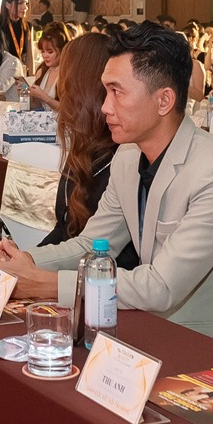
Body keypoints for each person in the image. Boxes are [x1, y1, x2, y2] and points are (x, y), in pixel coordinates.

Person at [0, 22, 213, 351]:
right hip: (151, 329)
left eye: (117, 92)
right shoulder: (128, 155)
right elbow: (91, 245)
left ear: (163, 101)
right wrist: (22, 262)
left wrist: (43, 283)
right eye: (105, 91)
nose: (105, 106)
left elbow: (161, 285)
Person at [37, 33, 133, 263]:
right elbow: (63, 230)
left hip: (105, 277)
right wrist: (21, 257)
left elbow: (92, 249)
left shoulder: (124, 158)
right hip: (73, 268)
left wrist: (29, 263)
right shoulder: (84, 146)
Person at [32, 23, 69, 101]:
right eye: (42, 51)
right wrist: (26, 92)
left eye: (50, 52)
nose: (45, 55)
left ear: (62, 50)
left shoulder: (68, 73)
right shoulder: (42, 70)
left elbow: (67, 107)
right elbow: (36, 104)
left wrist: (43, 96)